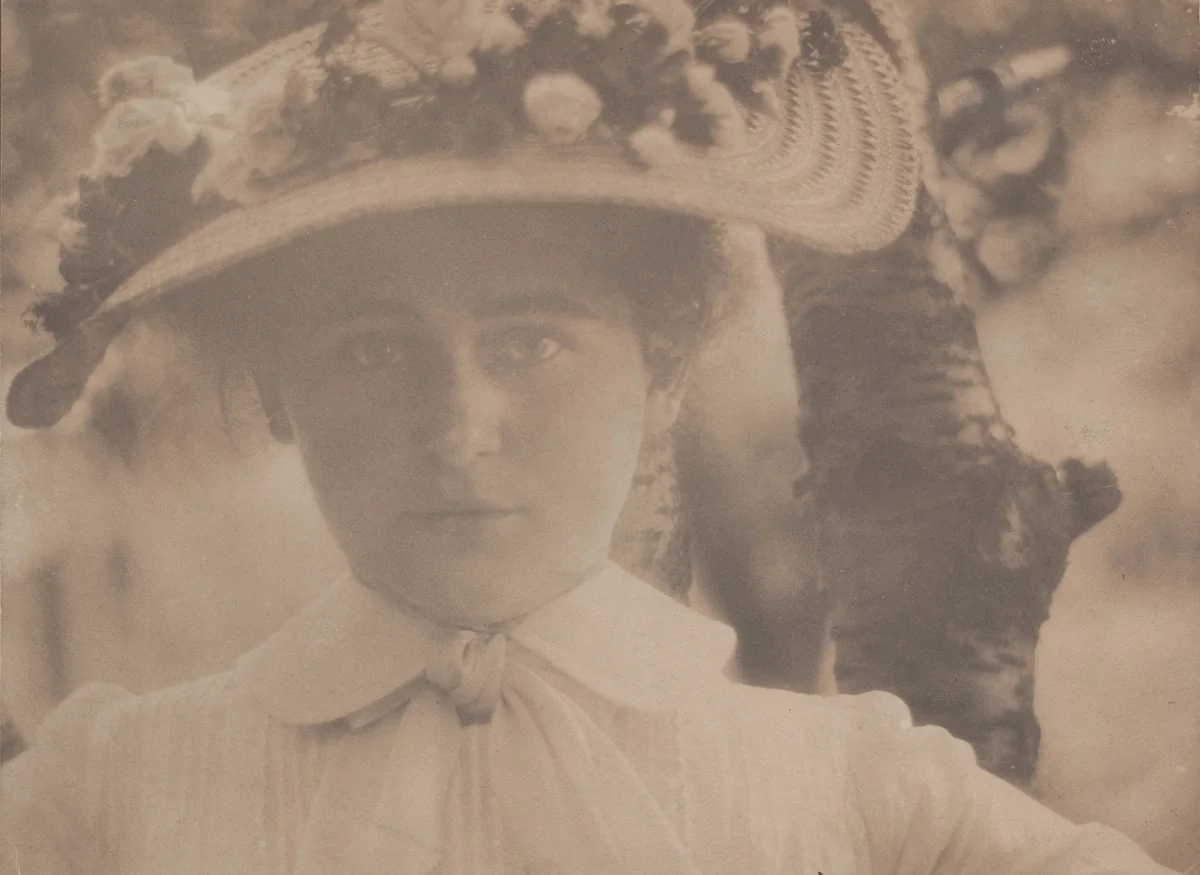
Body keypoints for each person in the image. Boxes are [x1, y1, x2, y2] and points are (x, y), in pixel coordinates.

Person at [1, 0, 1180, 873]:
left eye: (532, 342)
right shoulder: (110, 794)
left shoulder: (865, 794)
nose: (459, 426)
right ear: (278, 391)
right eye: (371, 348)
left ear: (662, 368)